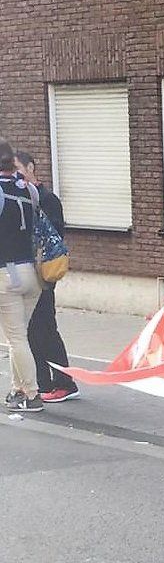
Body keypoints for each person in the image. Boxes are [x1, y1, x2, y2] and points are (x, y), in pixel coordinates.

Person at [15, 150, 79, 403]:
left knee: (46, 329)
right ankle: (43, 383)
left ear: (31, 168)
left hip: (42, 275)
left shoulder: (46, 199)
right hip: (26, 274)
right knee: (31, 331)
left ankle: (65, 382)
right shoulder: (20, 198)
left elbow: (53, 238)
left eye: (18, 169)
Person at [0, 138, 44, 412]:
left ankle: (31, 394)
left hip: (7, 274)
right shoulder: (29, 189)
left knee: (16, 338)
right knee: (19, 336)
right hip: (32, 273)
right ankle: (17, 389)